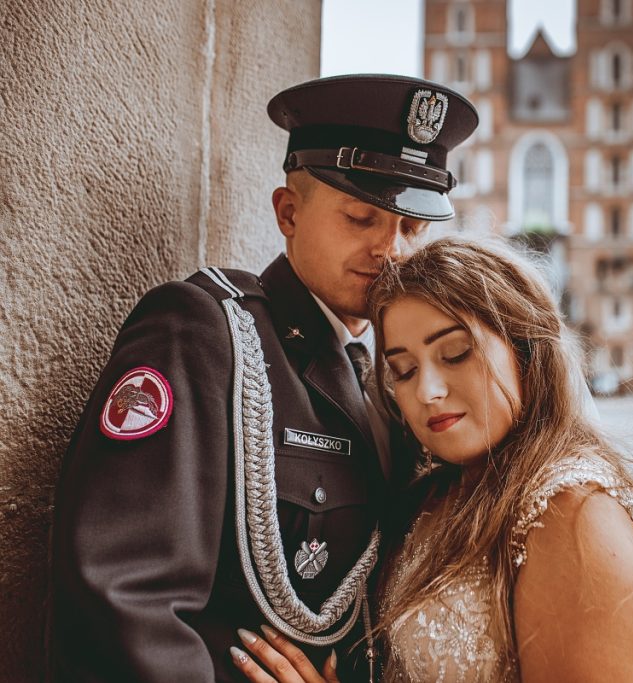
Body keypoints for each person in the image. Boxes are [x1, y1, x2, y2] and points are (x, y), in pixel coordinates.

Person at [48, 74, 477, 682]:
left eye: (411, 227)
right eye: (362, 217)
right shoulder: (206, 333)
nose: (393, 250)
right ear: (289, 213)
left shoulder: (398, 373)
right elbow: (125, 600)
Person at [228, 238, 633, 682]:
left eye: (455, 354)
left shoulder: (578, 517)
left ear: (525, 349)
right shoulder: (430, 495)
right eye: (405, 370)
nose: (426, 392)